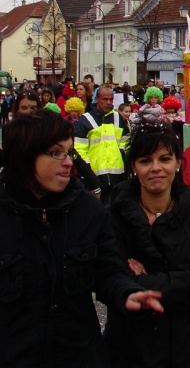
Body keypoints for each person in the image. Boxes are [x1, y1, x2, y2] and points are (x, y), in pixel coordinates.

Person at [0, 110, 163, 367]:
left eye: (69, 152)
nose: (68, 162)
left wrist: (127, 292)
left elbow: (108, 270)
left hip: (77, 355)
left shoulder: (87, 209)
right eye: (56, 153)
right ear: (23, 156)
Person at [103, 118, 190, 367]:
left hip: (187, 350)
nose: (156, 168)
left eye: (165, 159)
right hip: (129, 350)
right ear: (133, 167)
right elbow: (110, 280)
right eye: (146, 160)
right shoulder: (113, 216)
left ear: (178, 163)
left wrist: (145, 280)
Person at [73, 86, 130, 205]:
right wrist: (88, 173)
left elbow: (126, 141)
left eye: (111, 99)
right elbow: (79, 149)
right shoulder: (85, 120)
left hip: (117, 176)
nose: (109, 103)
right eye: (105, 99)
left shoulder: (118, 118)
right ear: (97, 99)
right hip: (94, 177)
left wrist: (121, 155)